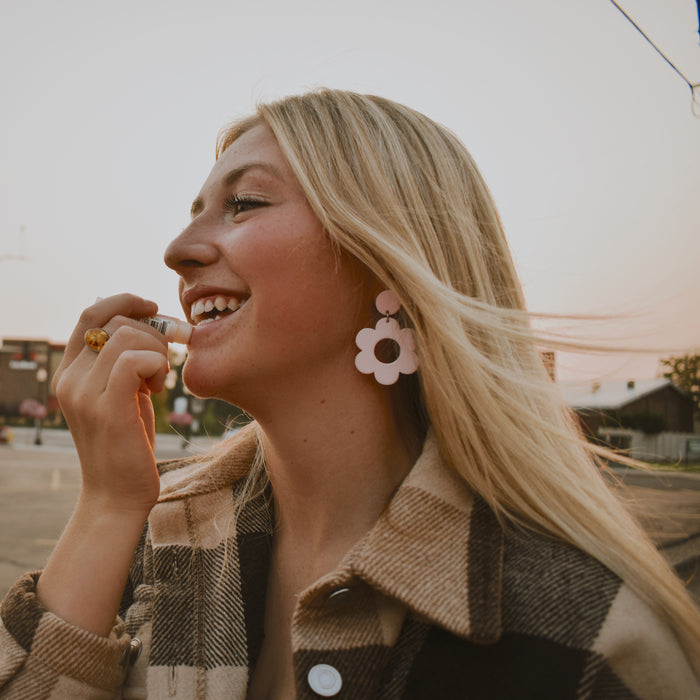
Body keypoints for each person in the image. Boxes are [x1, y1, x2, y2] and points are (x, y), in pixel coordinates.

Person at [1, 90, 698, 699]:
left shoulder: (586, 635)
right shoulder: (152, 546)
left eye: (243, 203)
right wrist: (107, 504)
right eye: (194, 212)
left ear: (386, 259)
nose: (178, 249)